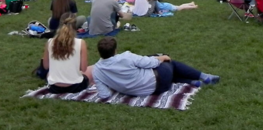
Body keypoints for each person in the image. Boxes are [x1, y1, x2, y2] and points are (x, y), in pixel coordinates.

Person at [91, 37, 219, 99]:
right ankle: (204, 76)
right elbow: (151, 63)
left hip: (149, 91)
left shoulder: (97, 70)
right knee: (171, 64)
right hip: (158, 81)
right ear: (115, 50)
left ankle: (192, 82)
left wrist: (116, 83)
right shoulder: (126, 57)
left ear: (99, 52)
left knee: (164, 69)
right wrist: (163, 58)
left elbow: (105, 94)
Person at [41, 13, 92, 94]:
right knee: (92, 69)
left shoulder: (50, 41)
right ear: (75, 25)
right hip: (75, 86)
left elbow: (45, 66)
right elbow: (83, 68)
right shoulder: (81, 43)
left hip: (54, 87)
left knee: (49, 73)